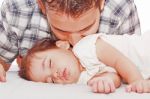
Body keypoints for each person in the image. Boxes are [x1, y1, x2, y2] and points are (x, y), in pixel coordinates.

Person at [0, 0, 141, 82]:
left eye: (87, 27)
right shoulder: (16, 11)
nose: (75, 42)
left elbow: (138, 62)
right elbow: (2, 61)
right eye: (61, 30)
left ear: (101, 2)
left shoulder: (121, 8)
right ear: (41, 6)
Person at [19, 32, 150, 93]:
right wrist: (105, 81)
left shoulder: (85, 47)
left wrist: (136, 81)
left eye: (50, 64)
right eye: (50, 81)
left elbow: (118, 61)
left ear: (63, 45)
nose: (55, 75)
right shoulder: (82, 80)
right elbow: (115, 75)